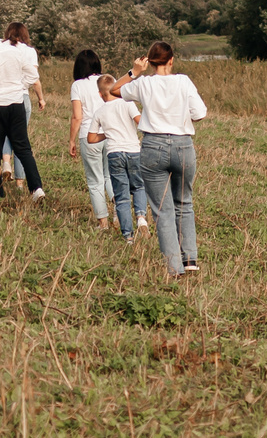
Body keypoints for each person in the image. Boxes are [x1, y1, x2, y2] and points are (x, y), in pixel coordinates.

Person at [119, 41, 207, 276]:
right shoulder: (184, 81)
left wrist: (134, 72)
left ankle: (174, 268)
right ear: (171, 60)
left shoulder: (144, 83)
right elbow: (200, 113)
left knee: (162, 210)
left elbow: (114, 90)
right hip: (182, 146)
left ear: (149, 62)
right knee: (184, 203)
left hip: (153, 146)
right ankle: (190, 259)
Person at [0, 22, 48, 202]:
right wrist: (18, 86)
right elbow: (33, 76)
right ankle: (36, 188)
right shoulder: (15, 51)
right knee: (23, 148)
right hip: (16, 104)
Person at [89, 72, 148, 240]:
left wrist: (107, 134)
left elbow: (91, 138)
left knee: (121, 196)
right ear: (117, 88)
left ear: (100, 94)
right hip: (133, 151)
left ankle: (128, 236)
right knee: (139, 186)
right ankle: (141, 217)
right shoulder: (127, 103)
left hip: (114, 153)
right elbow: (141, 121)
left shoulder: (99, 112)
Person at [68, 49, 114, 227]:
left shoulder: (78, 85)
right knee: (110, 176)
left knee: (95, 181)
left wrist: (72, 140)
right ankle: (119, 212)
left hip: (89, 135)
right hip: (110, 133)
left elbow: (77, 117)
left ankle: (103, 222)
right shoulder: (109, 80)